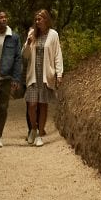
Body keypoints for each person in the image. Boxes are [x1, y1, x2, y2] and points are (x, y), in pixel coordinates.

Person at [20, 8, 63, 146]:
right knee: (32, 105)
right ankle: (33, 128)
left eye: (40, 19)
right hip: (33, 76)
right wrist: (28, 41)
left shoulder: (53, 35)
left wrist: (59, 73)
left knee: (43, 105)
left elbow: (57, 55)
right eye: (36, 19)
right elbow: (25, 55)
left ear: (46, 19)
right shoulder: (32, 34)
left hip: (46, 76)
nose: (37, 21)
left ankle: (39, 133)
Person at [0, 9, 23, 148]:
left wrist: (16, 78)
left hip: (6, 78)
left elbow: (17, 58)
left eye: (5, 17)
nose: (4, 19)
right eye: (1, 17)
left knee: (3, 108)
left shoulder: (14, 37)